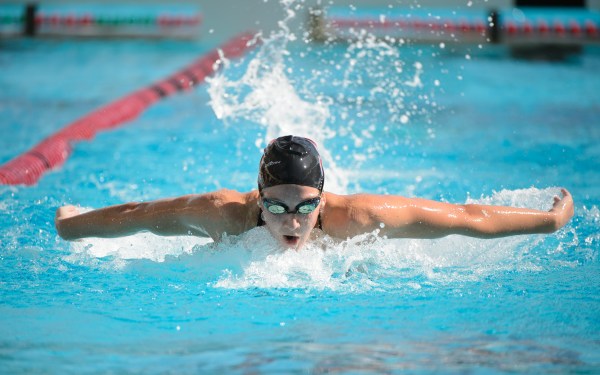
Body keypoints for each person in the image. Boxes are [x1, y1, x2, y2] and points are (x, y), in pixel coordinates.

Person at [55, 135, 574, 250]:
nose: (292, 221)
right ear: (258, 199)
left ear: (323, 200)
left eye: (305, 206)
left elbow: (467, 217)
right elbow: (141, 215)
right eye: (276, 206)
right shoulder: (223, 214)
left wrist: (547, 221)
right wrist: (71, 224)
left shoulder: (362, 217)